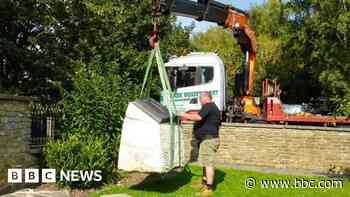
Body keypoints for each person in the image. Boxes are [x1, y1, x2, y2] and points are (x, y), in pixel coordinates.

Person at [177, 91, 221, 196]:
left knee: (208, 163)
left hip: (209, 140)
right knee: (205, 163)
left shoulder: (208, 105)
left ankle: (209, 189)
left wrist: (182, 114)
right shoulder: (211, 107)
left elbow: (198, 117)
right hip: (206, 139)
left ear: (205, 98)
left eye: (200, 99)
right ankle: (204, 183)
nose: (199, 101)